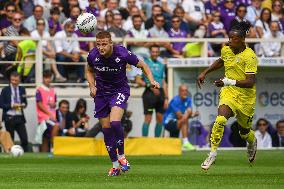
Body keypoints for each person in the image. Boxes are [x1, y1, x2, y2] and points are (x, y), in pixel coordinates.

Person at [86, 31, 160, 176]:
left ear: (111, 43)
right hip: (101, 93)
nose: (101, 48)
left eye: (104, 44)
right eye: (98, 44)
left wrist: (151, 80)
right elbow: (88, 70)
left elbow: (143, 65)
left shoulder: (122, 53)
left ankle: (122, 156)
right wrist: (91, 85)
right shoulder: (93, 55)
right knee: (106, 128)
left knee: (115, 123)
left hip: (119, 91)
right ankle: (115, 166)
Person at [197, 21, 258, 170]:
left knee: (244, 133)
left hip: (246, 98)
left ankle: (252, 141)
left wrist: (228, 81)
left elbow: (250, 82)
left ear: (243, 40)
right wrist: (205, 72)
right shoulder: (226, 49)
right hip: (229, 92)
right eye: (229, 38)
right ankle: (212, 154)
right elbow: (221, 61)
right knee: (220, 119)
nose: (230, 41)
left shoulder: (250, 56)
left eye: (234, 39)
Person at [136, 45, 168, 137]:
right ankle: (144, 142)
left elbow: (163, 82)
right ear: (150, 52)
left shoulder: (161, 65)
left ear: (159, 53)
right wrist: (150, 86)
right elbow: (138, 80)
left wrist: (166, 97)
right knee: (148, 118)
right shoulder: (143, 64)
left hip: (160, 93)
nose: (155, 53)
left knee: (160, 118)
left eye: (156, 52)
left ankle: (156, 142)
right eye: (153, 52)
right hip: (149, 93)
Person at [163, 84, 198, 151]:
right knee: (185, 120)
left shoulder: (188, 100)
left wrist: (190, 113)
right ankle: (185, 142)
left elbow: (189, 112)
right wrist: (191, 114)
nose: (184, 92)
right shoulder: (175, 101)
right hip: (168, 123)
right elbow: (180, 115)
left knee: (173, 147)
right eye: (182, 91)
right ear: (179, 92)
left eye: (186, 91)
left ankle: (180, 143)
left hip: (177, 122)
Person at [0, 71, 28, 152]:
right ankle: (11, 155)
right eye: (12, 80)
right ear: (10, 79)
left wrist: (23, 105)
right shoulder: (5, 90)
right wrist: (12, 105)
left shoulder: (22, 89)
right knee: (10, 139)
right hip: (9, 117)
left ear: (19, 80)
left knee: (24, 139)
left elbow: (25, 102)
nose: (14, 82)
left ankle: (26, 156)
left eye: (16, 80)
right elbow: (1, 104)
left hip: (19, 116)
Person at [35, 70, 59, 152]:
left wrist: (54, 105)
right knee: (56, 126)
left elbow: (54, 103)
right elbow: (40, 104)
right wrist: (49, 114)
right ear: (43, 78)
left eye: (49, 78)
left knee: (45, 138)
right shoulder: (39, 90)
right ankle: (53, 148)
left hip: (52, 116)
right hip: (44, 117)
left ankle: (45, 156)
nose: (48, 80)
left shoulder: (53, 90)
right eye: (46, 78)